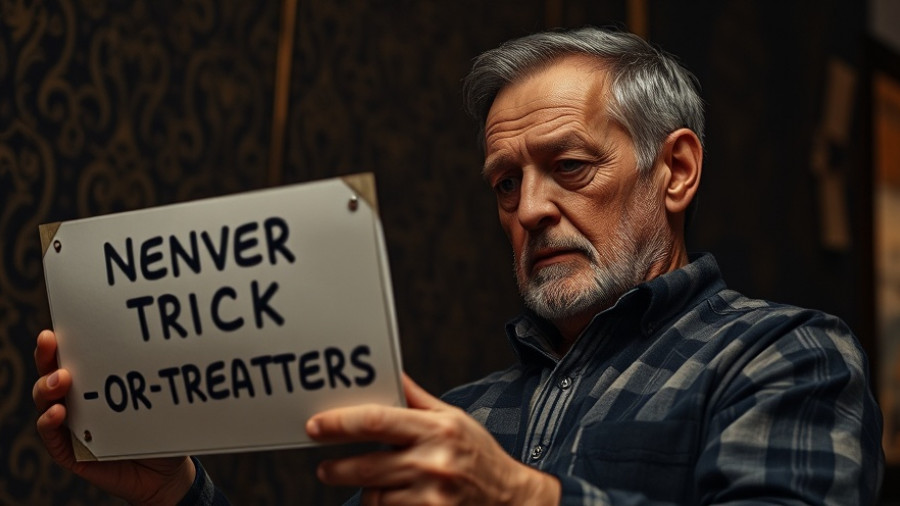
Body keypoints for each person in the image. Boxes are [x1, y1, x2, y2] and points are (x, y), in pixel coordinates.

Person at [33, 26, 883, 505]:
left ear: (677, 170)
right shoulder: (466, 413)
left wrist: (517, 499)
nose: (530, 208)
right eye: (504, 183)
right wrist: (177, 492)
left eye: (571, 168)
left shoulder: (784, 357)